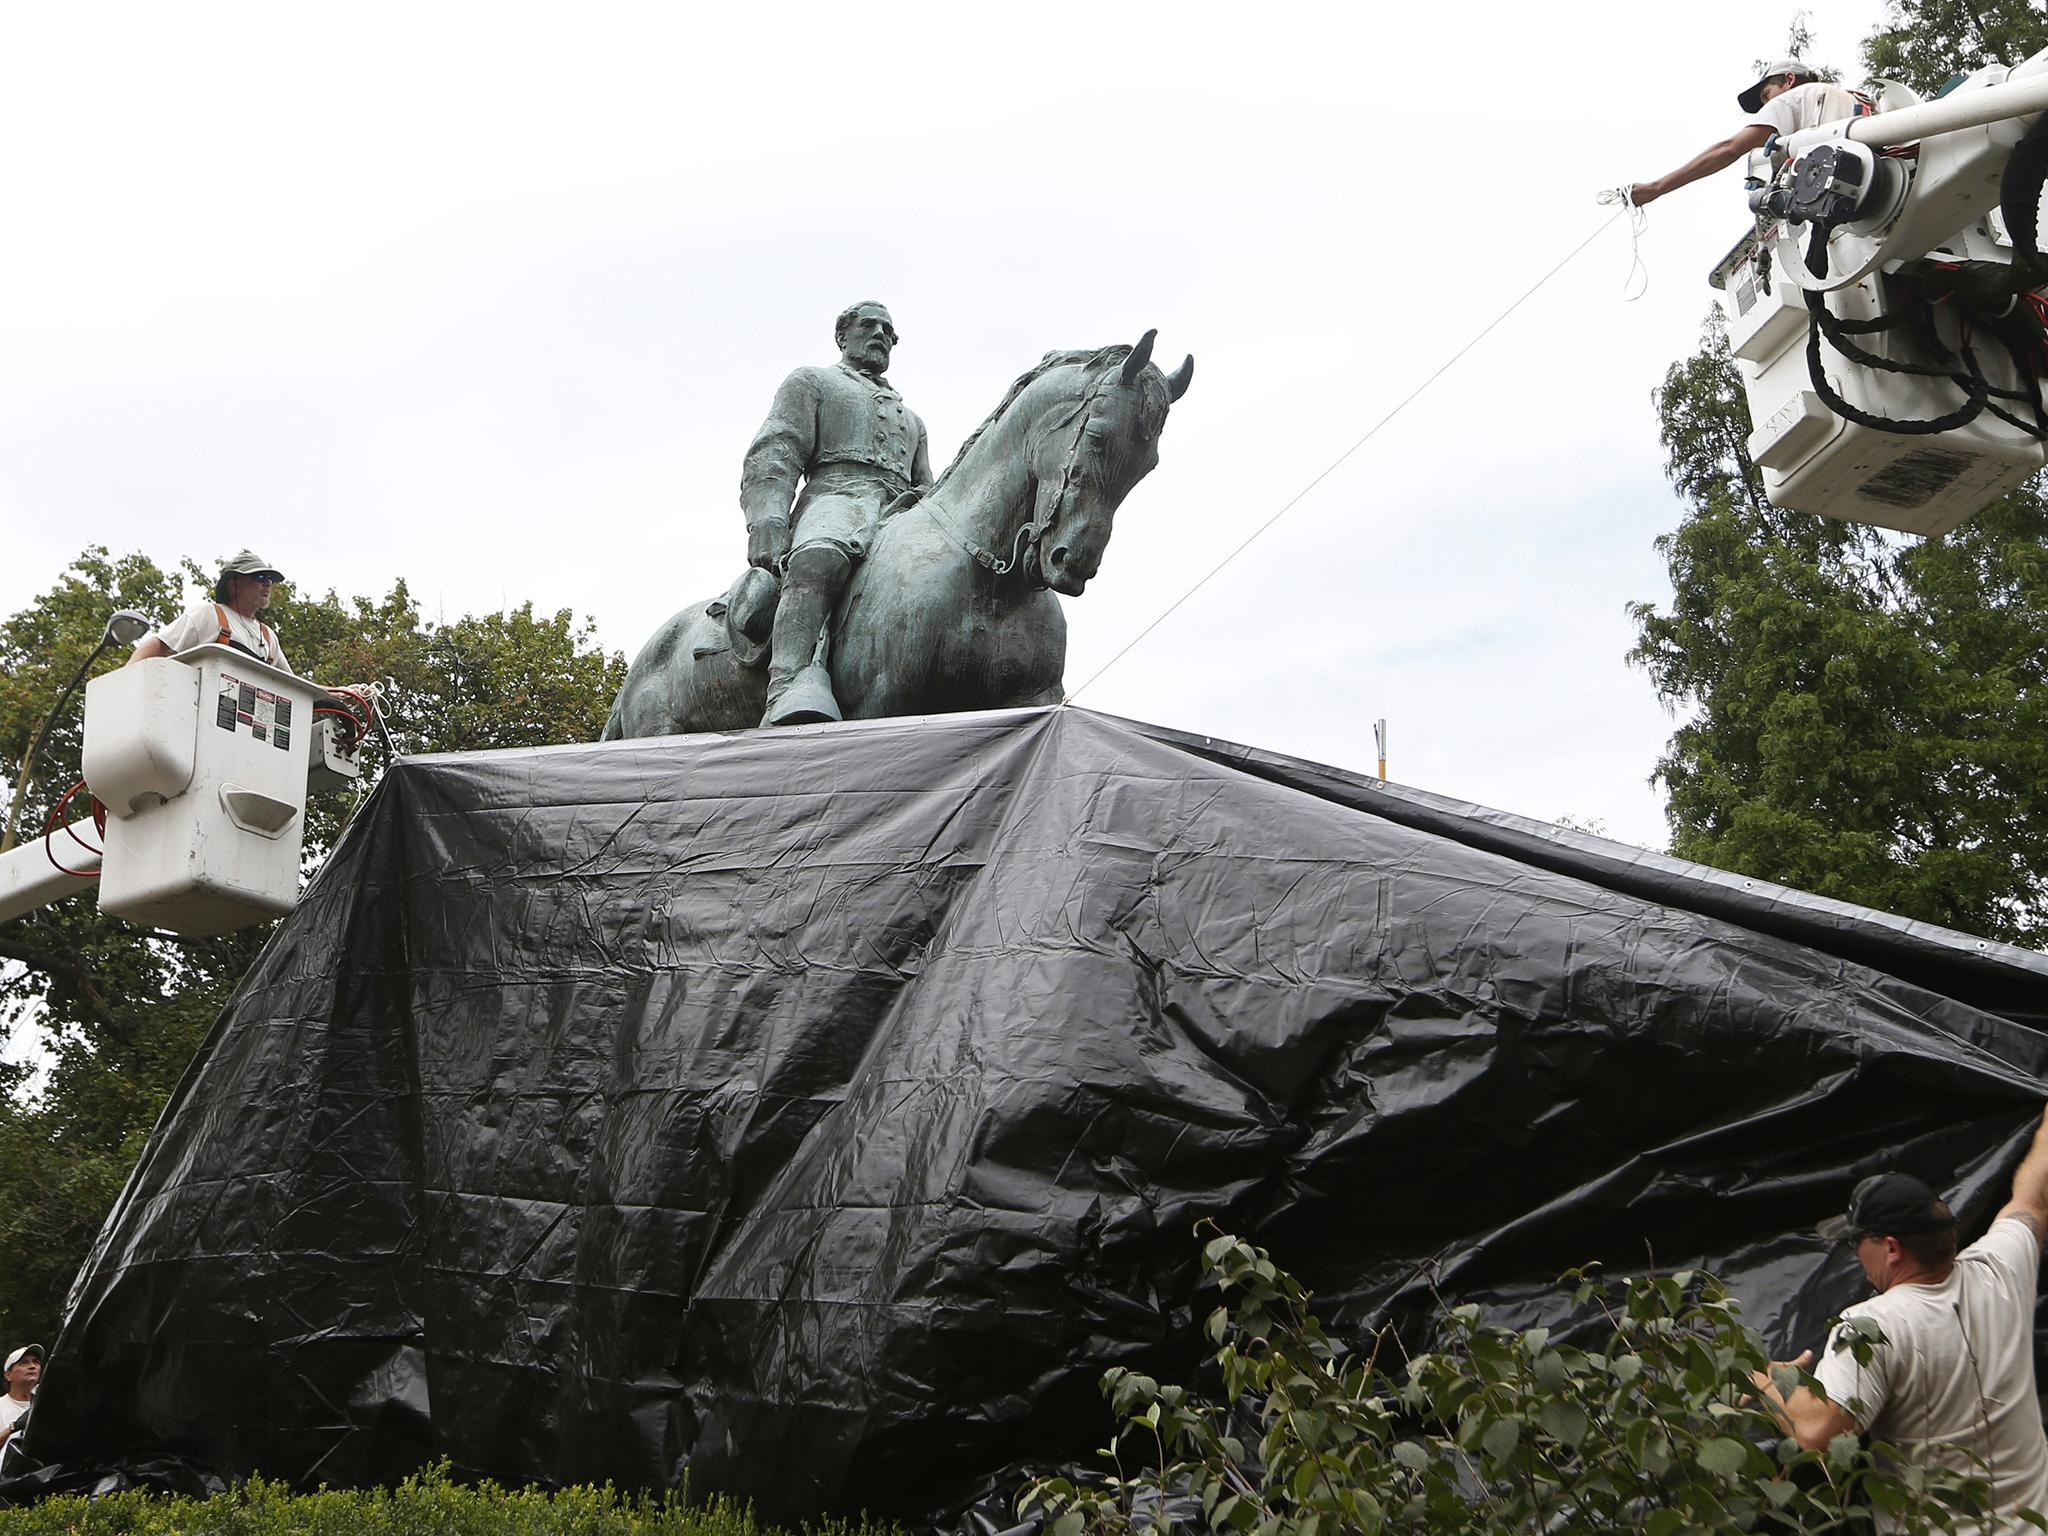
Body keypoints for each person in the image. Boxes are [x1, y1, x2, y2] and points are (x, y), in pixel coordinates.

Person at [1751, 1107, 2048, 1530]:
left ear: (1891, 1247)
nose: (1854, 1254)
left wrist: (1763, 1378)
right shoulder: (2002, 1268)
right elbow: (2033, 1196)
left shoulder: (1870, 1327)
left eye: (1857, 1241)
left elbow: (1818, 1432)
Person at [740, 301, 932, 726]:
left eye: (889, 329)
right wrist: (768, 519)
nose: (882, 333)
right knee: (819, 556)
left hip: (900, 509)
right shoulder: (813, 382)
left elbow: (925, 485)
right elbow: (776, 451)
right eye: (870, 325)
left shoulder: (913, 419)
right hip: (834, 497)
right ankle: (788, 684)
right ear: (842, 336)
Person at [1631, 59, 1869, 206]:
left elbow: (1729, 149)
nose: (1767, 106)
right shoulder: (1850, 98)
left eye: (1767, 94)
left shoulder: (1790, 99)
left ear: (1788, 80)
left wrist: (1657, 188)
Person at [126, 550, 293, 673]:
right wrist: (125, 682)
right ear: (233, 585)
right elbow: (157, 645)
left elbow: (295, 685)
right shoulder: (209, 615)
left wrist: (319, 692)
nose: (268, 584)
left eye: (269, 579)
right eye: (259, 578)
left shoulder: (269, 637)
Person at [0, 1344, 39, 1451]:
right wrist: (14, 1427)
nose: (32, 1366)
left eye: (36, 1362)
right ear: (8, 1375)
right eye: (24, 1362)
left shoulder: (47, 1405)